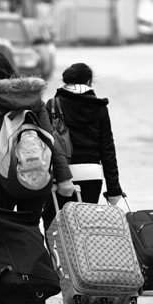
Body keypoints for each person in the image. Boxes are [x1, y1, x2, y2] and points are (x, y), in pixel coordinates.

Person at [0, 51, 74, 219]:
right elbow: (50, 138)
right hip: (36, 173)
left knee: (0, 230)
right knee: (30, 230)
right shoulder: (33, 98)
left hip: (3, 178)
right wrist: (64, 178)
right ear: (11, 71)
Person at [41, 62, 124, 231]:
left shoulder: (53, 104)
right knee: (84, 226)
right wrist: (114, 189)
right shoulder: (99, 107)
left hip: (62, 174)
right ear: (88, 82)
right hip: (91, 175)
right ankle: (80, 257)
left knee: (52, 222)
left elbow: (45, 143)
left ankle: (55, 256)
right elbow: (107, 149)